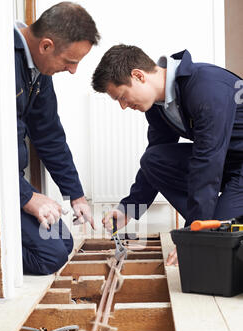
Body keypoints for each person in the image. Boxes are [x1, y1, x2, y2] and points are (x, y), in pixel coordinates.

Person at [91, 45, 243, 265]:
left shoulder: (206, 87)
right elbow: (155, 160)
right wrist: (130, 208)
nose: (124, 106)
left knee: (219, 243)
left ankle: (209, 224)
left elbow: (207, 163)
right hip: (227, 160)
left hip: (230, 164)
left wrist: (194, 235)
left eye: (122, 97)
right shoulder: (158, 106)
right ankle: (211, 221)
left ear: (138, 76)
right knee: (153, 160)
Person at [15, 2, 100, 275]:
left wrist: (76, 195)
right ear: (46, 46)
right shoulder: (0, 62)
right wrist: (27, 196)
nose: (73, 71)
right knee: (50, 258)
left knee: (62, 243)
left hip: (15, 184)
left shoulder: (39, 70)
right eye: (70, 61)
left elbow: (49, 134)